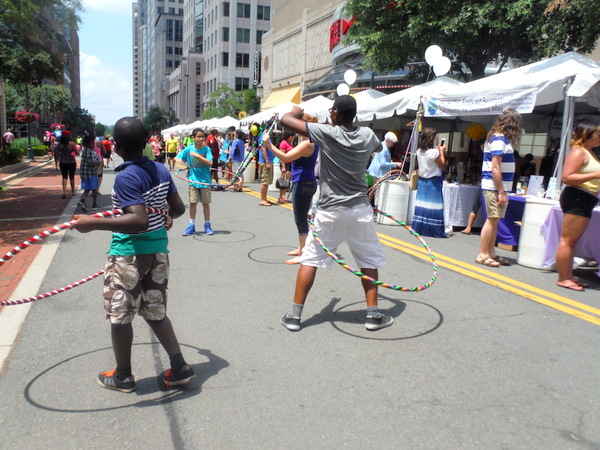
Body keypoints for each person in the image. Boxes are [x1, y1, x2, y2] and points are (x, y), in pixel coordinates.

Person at [70, 116, 195, 393]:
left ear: (115, 146)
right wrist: (164, 214)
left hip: (129, 255)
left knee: (120, 315)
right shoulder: (161, 169)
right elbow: (177, 209)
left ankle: (123, 376)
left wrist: (92, 224)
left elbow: (137, 220)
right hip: (158, 253)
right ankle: (180, 368)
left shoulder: (126, 176)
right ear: (145, 144)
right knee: (155, 311)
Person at [278, 95, 392, 332]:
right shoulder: (368, 135)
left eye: (332, 110)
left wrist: (297, 111)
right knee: (368, 261)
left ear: (336, 113)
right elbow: (379, 147)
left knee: (310, 260)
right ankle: (373, 315)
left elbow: (285, 120)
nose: (330, 113)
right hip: (359, 210)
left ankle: (294, 316)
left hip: (330, 211)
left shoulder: (327, 133)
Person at [263, 117, 319, 265]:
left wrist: (269, 145)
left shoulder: (308, 143)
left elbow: (286, 158)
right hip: (307, 181)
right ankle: (302, 247)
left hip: (303, 182)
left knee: (300, 218)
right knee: (302, 217)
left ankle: (303, 253)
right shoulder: (312, 141)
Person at [555, 123, 600, 291]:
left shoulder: (588, 153)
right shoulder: (579, 152)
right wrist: (595, 175)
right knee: (567, 240)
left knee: (571, 241)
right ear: (588, 135)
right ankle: (563, 278)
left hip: (585, 199)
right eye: (598, 134)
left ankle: (568, 275)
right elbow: (567, 177)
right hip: (578, 198)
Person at [476, 108, 522, 267]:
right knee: (492, 219)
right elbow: (495, 167)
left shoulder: (496, 138)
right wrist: (501, 191)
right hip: (493, 186)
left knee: (495, 220)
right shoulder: (499, 139)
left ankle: (491, 252)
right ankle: (482, 254)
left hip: (498, 187)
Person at [177, 128, 215, 236]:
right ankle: (191, 226)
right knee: (193, 204)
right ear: (193, 138)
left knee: (205, 204)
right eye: (198, 136)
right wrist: (178, 160)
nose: (201, 138)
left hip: (205, 181)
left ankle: (207, 225)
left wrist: (198, 156)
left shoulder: (206, 149)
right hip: (193, 181)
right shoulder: (188, 149)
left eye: (203, 136)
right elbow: (178, 157)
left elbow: (210, 163)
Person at [411, 128, 448, 238]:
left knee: (422, 206)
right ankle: (433, 230)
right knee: (434, 206)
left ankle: (419, 228)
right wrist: (442, 151)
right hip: (433, 181)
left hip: (423, 181)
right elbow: (442, 164)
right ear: (431, 139)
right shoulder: (433, 152)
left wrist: (438, 151)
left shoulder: (419, 151)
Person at [77, 135, 101, 212]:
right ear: (87, 144)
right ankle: (94, 204)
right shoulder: (90, 152)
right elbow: (91, 164)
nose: (93, 145)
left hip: (85, 174)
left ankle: (82, 200)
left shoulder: (84, 151)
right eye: (92, 144)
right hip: (91, 173)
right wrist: (97, 163)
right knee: (94, 189)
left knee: (88, 188)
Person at [55, 132, 79, 199]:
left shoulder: (59, 145)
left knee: (64, 177)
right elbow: (77, 152)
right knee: (72, 177)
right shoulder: (72, 144)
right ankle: (73, 192)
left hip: (62, 162)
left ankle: (64, 192)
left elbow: (57, 155)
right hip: (71, 162)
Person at [277, 131, 296, 203]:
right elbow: (282, 155)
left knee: (287, 181)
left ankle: (283, 196)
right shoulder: (283, 143)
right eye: (293, 137)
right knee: (284, 181)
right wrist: (283, 167)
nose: (294, 139)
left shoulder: (289, 143)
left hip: (290, 163)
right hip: (286, 163)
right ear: (290, 137)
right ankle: (280, 197)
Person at [258, 130, 275, 206]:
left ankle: (264, 198)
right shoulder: (264, 136)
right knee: (265, 181)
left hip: (269, 160)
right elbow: (263, 149)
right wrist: (267, 162)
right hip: (265, 162)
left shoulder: (266, 136)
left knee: (267, 181)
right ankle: (262, 199)